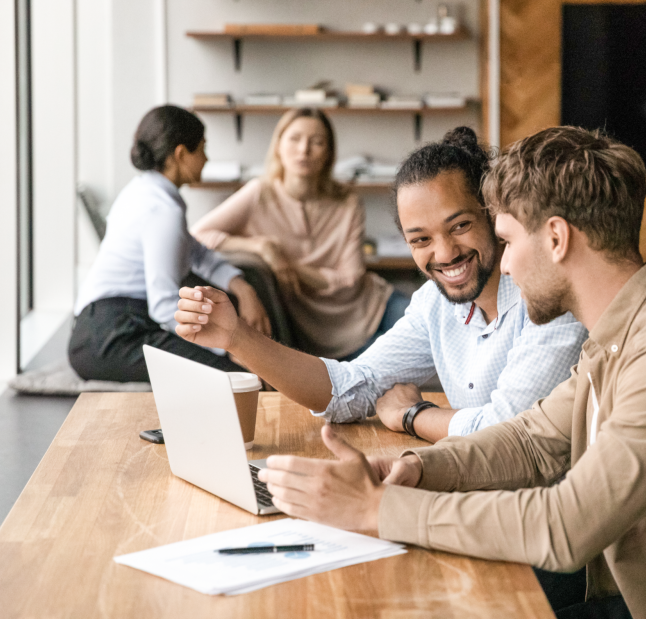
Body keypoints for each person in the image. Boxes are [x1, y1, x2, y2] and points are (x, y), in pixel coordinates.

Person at [246, 127, 646, 619]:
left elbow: (564, 524)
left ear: (555, 237)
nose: (503, 265)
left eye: (504, 239)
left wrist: (378, 510)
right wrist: (407, 468)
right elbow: (530, 442)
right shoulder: (626, 331)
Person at [175, 127, 588, 442]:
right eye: (421, 240)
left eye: (459, 226)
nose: (444, 253)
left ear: (492, 215)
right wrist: (237, 337)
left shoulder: (549, 297)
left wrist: (413, 415)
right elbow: (348, 390)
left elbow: (507, 430)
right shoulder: (435, 304)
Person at [69, 105, 269, 383]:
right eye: (201, 149)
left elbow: (197, 252)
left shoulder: (145, 191)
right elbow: (163, 304)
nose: (206, 159)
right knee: (240, 380)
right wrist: (225, 347)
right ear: (180, 154)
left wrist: (243, 288)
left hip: (102, 326)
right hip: (112, 335)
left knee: (240, 374)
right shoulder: (162, 211)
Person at [191, 108, 406, 360]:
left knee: (431, 331)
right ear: (278, 145)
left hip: (372, 305)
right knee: (388, 368)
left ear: (328, 153)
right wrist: (261, 247)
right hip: (316, 331)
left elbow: (351, 281)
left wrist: (288, 265)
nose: (304, 150)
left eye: (316, 142)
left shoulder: (347, 202)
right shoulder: (259, 193)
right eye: (294, 139)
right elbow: (197, 236)